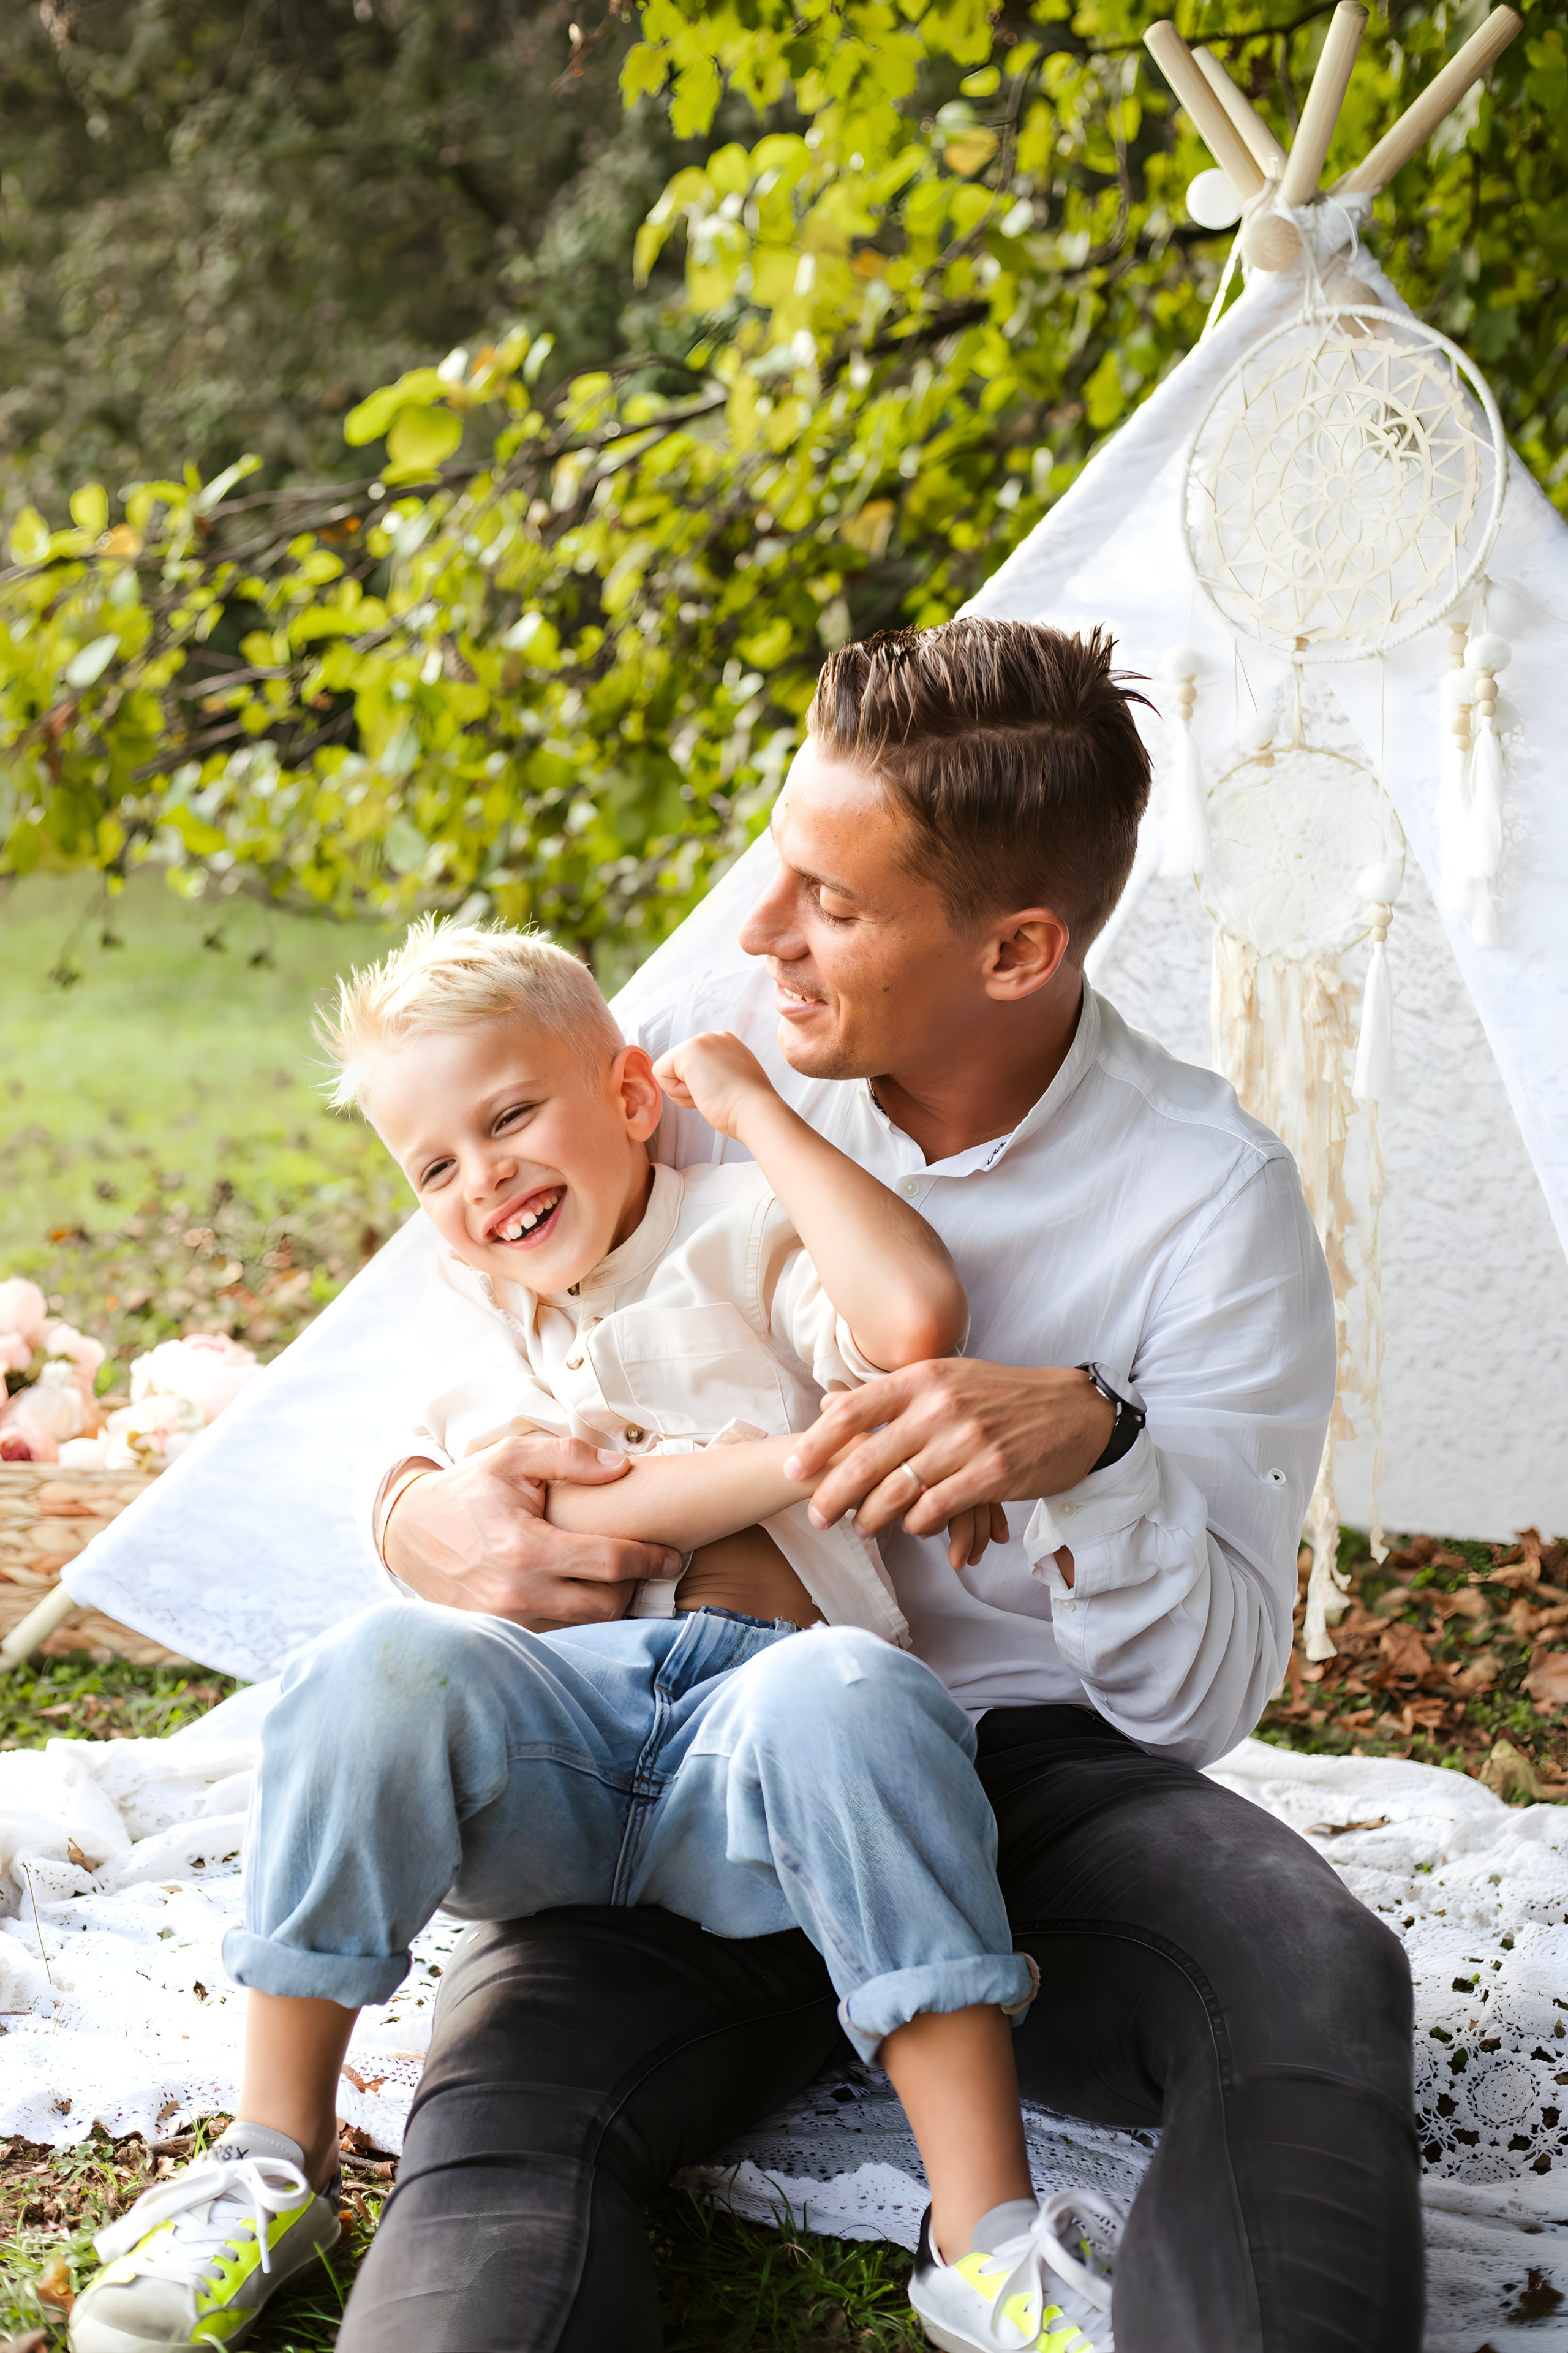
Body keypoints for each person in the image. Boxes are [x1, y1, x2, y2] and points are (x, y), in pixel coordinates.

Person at [332, 619, 1422, 2353]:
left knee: (1313, 1978)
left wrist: (1099, 1448)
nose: (762, 930)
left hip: (1031, 1782)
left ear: (1019, 947)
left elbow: (1207, 1693)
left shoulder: (1214, 1209)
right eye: (781, 869)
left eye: (831, 904)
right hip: (684, 1756)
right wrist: (412, 1506)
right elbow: (469, 1308)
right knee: (501, 2112)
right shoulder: (689, 1052)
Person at [69, 920, 1120, 2353]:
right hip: (555, 1747)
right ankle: (270, 2159)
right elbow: (593, 1498)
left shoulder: (740, 1226)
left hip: (759, 1754)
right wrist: (813, 1452)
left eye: (509, 1115)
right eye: (433, 1164)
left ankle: (985, 2235)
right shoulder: (467, 1315)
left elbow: (911, 1315)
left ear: (630, 1098)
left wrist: (749, 1110)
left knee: (858, 1692)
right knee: (366, 1668)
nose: (481, 1175)